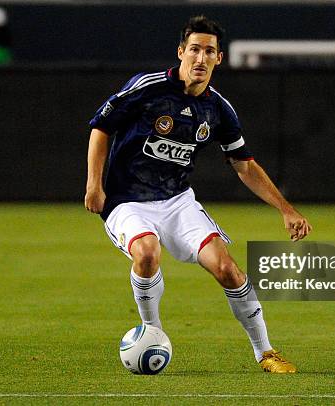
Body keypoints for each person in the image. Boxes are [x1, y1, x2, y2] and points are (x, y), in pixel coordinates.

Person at [85, 15, 311, 373]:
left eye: (209, 51)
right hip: (126, 200)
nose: (201, 58)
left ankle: (265, 352)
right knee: (146, 252)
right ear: (181, 52)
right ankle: (152, 332)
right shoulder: (147, 88)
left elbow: (245, 165)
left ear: (219, 58)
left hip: (177, 201)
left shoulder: (218, 109)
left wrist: (286, 209)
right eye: (194, 49)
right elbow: (101, 127)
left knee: (228, 269)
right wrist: (94, 185)